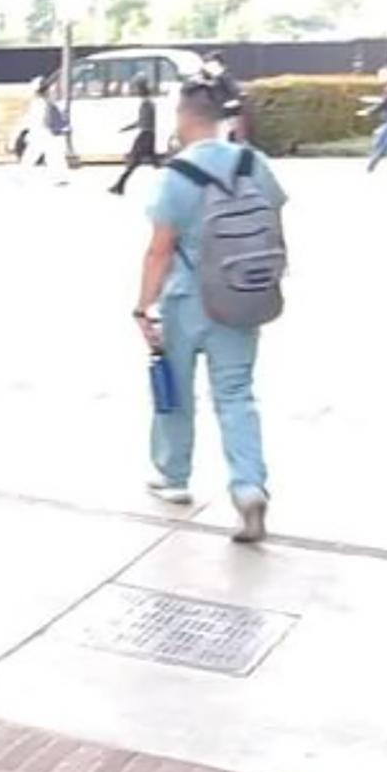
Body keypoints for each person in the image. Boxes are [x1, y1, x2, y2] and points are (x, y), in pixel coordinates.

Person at [134, 80, 287, 543]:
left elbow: (160, 250)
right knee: (236, 394)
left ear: (183, 117)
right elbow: (273, 223)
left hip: (186, 300)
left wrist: (143, 305)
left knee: (176, 390)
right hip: (241, 295)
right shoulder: (252, 162)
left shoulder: (176, 174)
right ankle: (248, 487)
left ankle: (174, 477)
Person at [109, 77, 160, 195]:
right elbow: (142, 121)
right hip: (149, 135)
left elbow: (143, 122)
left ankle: (119, 186)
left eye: (138, 90)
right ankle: (119, 186)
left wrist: (129, 127)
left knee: (134, 161)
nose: (137, 92)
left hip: (145, 135)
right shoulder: (148, 103)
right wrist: (127, 128)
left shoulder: (147, 104)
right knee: (152, 162)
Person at [18, 75, 70, 185]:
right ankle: (59, 177)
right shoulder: (44, 102)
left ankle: (59, 177)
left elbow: (39, 119)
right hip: (44, 132)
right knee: (49, 155)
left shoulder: (41, 102)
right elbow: (43, 119)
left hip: (42, 132)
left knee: (40, 155)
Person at [200, 51, 246, 142]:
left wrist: (230, 103)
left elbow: (238, 93)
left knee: (225, 137)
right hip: (219, 115)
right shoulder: (211, 78)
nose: (207, 67)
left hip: (227, 115)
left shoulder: (224, 77)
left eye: (210, 64)